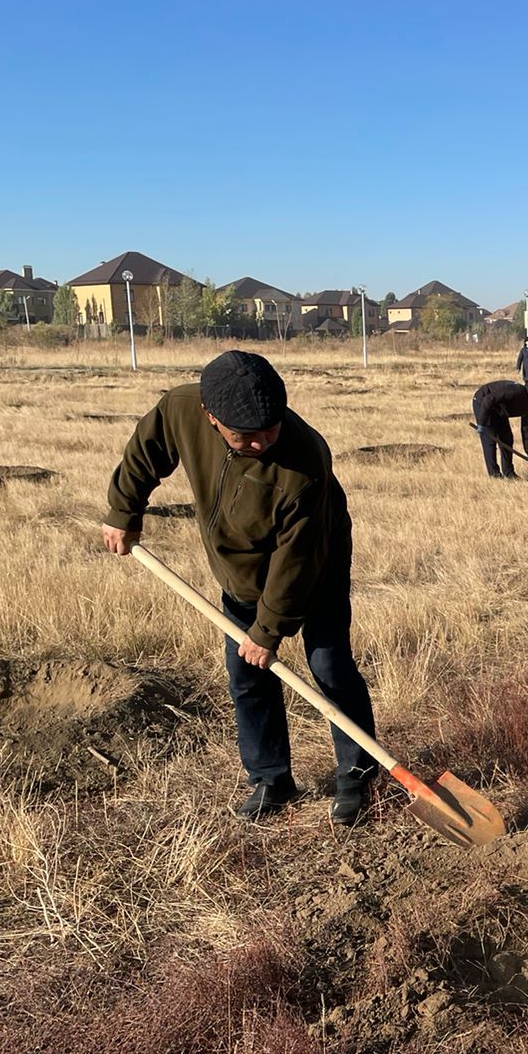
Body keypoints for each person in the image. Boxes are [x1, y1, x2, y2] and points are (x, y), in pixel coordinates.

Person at [101, 351, 381, 826]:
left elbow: (297, 560)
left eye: (269, 429)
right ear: (211, 418)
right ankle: (271, 777)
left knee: (329, 664)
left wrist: (267, 629)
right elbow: (144, 452)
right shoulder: (181, 409)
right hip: (239, 570)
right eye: (244, 436)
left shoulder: (304, 461)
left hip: (316, 562)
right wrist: (124, 512)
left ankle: (356, 771)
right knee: (247, 677)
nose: (261, 441)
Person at [474, 379, 528, 478]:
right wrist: (482, 423)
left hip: (499, 409)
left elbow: (527, 429)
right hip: (483, 402)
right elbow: (488, 399)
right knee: (490, 441)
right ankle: (495, 475)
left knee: (507, 439)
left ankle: (509, 473)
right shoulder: (516, 392)